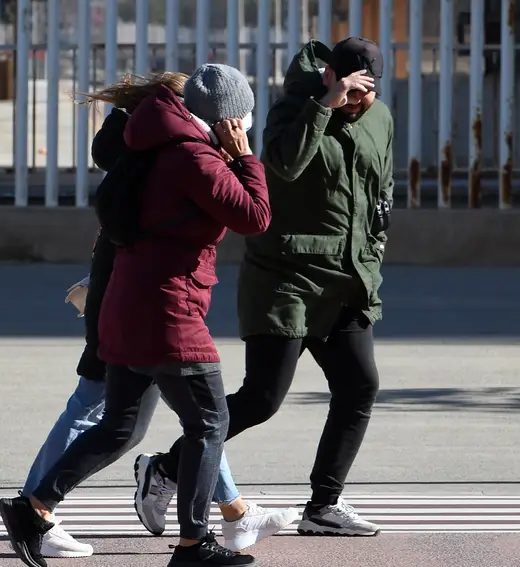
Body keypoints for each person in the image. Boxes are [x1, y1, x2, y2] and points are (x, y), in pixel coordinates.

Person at [0, 63, 276, 567]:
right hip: (170, 311)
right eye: (243, 118)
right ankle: (194, 545)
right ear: (228, 118)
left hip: (129, 304)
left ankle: (33, 507)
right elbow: (254, 217)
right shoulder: (193, 157)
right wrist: (246, 158)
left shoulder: (150, 142)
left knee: (121, 427)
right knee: (209, 424)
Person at [135, 37, 393, 538]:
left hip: (347, 279)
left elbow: (379, 190)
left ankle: (324, 506)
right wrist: (324, 107)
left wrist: (375, 249)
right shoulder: (293, 110)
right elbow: (283, 165)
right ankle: (164, 469)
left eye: (368, 89)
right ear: (328, 76)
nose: (359, 98)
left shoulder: (380, 118)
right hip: (286, 278)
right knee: (262, 398)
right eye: (349, 86)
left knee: (360, 386)